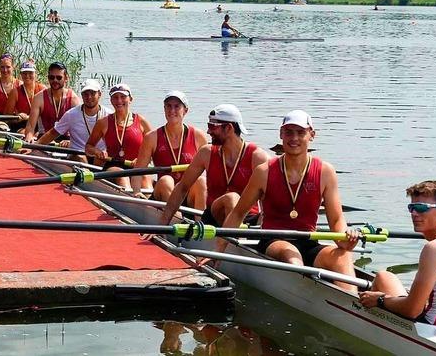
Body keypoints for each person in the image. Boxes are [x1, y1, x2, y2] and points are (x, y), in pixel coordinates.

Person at [217, 110, 359, 291]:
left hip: (308, 241)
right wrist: (218, 251)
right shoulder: (264, 172)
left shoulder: (325, 172)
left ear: (312, 135)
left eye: (301, 133)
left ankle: (352, 305)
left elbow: (337, 220)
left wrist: (344, 241)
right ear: (281, 134)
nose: (294, 138)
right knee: (292, 255)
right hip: (273, 240)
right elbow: (238, 213)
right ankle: (305, 291)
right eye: (289, 132)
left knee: (343, 256)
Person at [359, 181, 436, 328]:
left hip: (432, 327)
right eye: (412, 208)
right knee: (387, 277)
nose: (414, 213)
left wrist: (380, 300)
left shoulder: (435, 248)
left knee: (384, 277)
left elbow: (412, 311)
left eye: (422, 208)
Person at [160, 104, 269, 226]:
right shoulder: (206, 153)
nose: (208, 131)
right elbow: (182, 188)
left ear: (229, 128)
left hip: (248, 217)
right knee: (231, 198)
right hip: (214, 216)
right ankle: (234, 239)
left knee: (235, 200)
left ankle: (238, 238)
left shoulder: (258, 157)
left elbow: (270, 199)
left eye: (212, 126)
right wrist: (162, 225)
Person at [130, 91, 208, 211]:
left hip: (188, 194)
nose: (172, 110)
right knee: (167, 180)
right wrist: (136, 192)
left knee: (201, 181)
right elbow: (139, 170)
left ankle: (200, 223)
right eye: (169, 106)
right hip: (164, 192)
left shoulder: (198, 136)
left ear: (185, 110)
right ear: (164, 109)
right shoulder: (152, 137)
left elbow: (211, 171)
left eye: (177, 106)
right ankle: (175, 220)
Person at [85, 83, 153, 190]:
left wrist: (143, 160)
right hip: (113, 166)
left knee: (145, 178)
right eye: (115, 98)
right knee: (122, 175)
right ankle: (131, 201)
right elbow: (88, 147)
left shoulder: (142, 121)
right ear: (111, 101)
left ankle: (150, 204)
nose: (119, 101)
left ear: (130, 99)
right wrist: (97, 151)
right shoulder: (103, 123)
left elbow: (154, 150)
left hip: (136, 166)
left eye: (123, 97)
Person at [37, 78, 112, 159]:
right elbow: (53, 133)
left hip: (100, 156)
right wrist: (34, 147)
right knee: (81, 157)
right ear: (82, 95)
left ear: (100, 94)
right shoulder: (71, 114)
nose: (89, 97)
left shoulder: (109, 115)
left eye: (93, 93)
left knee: (101, 158)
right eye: (85, 94)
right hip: (77, 155)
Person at [24, 62, 80, 142]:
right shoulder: (39, 98)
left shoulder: (73, 99)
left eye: (59, 78)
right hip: (43, 140)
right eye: (51, 77)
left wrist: (71, 141)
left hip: (65, 142)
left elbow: (79, 127)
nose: (55, 80)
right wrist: (29, 137)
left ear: (66, 78)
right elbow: (30, 126)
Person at [3, 60, 46, 132]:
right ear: (21, 75)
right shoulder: (15, 92)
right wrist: (17, 118)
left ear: (36, 74)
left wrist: (29, 117)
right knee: (24, 133)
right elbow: (6, 118)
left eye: (30, 73)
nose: (27, 76)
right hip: (22, 125)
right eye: (24, 73)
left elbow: (49, 114)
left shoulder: (43, 89)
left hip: (39, 124)